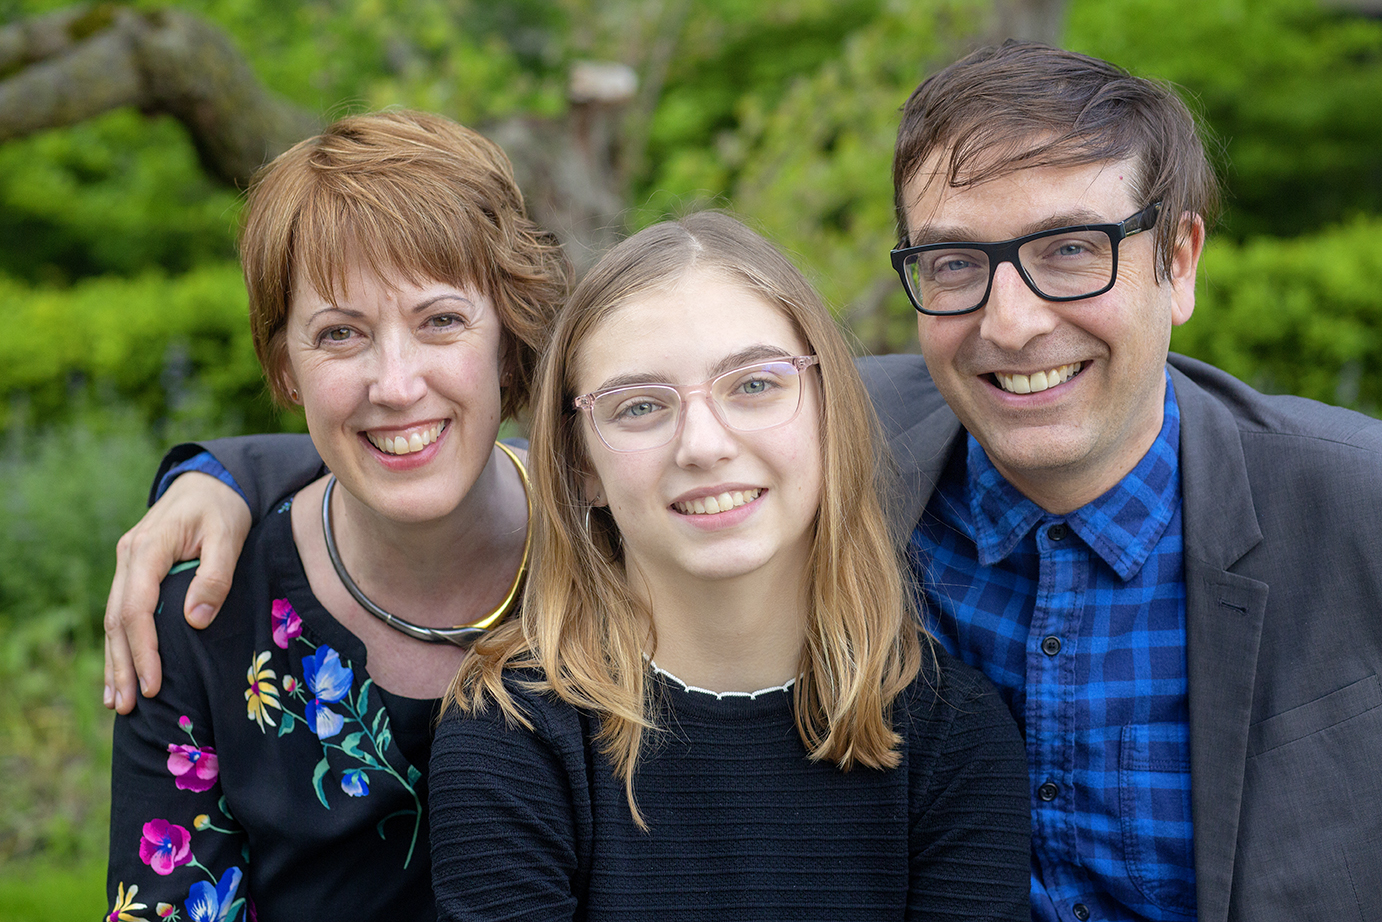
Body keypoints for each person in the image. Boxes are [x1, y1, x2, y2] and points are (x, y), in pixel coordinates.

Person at [103, 40, 1382, 922]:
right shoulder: (782, 457)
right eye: (951, 264)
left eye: (1069, 251)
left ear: (1180, 263)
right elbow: (435, 435)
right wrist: (216, 475)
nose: (1009, 323)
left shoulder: (1347, 507)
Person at [426, 212, 1029, 919]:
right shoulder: (509, 735)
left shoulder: (952, 735)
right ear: (580, 464)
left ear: (828, 414)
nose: (704, 445)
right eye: (640, 406)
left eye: (753, 385)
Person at [104, 109, 568, 922]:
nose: (394, 383)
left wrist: (229, 468)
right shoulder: (202, 623)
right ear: (287, 368)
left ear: (509, 332)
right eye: (340, 334)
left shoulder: (618, 554)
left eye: (441, 321)